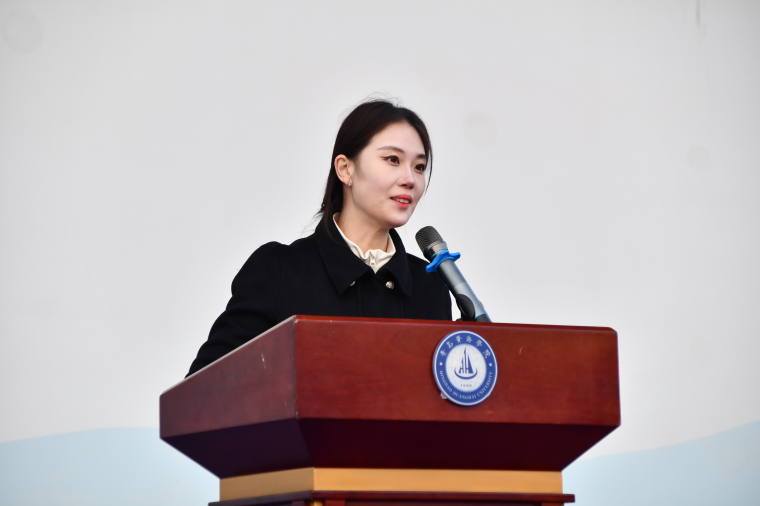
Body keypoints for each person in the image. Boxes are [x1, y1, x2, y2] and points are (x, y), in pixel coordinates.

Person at [186, 99, 452, 377]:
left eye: (419, 166)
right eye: (393, 160)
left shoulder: (431, 286)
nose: (410, 179)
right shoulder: (279, 271)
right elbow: (205, 389)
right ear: (345, 169)